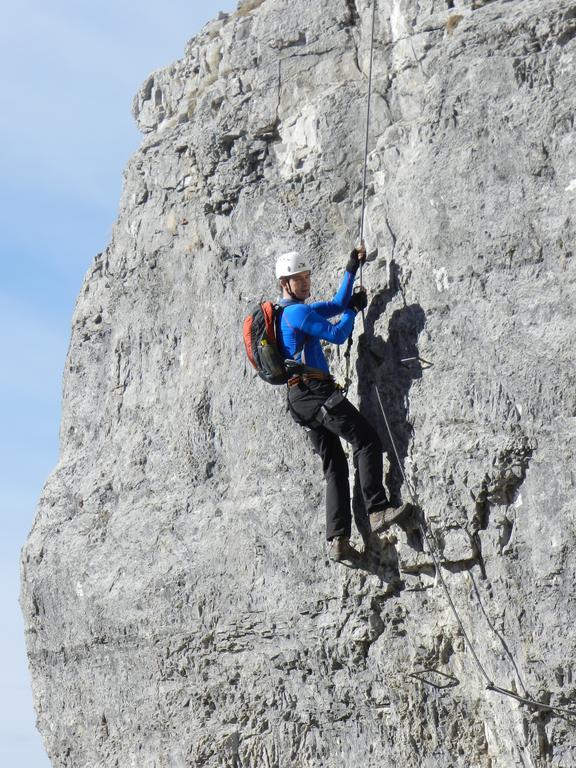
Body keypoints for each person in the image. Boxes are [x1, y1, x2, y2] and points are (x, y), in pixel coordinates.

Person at [276, 247, 411, 564]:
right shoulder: (296, 313)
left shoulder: (292, 312)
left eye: (308, 277)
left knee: (335, 465)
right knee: (366, 440)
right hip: (314, 392)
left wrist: (351, 268)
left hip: (300, 399)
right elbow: (337, 333)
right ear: (285, 283)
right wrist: (354, 311)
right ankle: (377, 509)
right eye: (300, 279)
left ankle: (339, 540)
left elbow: (335, 304)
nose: (306, 283)